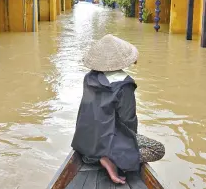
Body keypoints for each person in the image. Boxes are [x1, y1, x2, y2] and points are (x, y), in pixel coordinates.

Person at [71, 34, 165, 184]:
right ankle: (111, 158)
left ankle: (98, 156)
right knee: (158, 149)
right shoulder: (124, 85)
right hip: (107, 140)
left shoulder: (89, 78)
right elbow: (129, 121)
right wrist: (129, 145)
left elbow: (89, 110)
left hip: (85, 140)